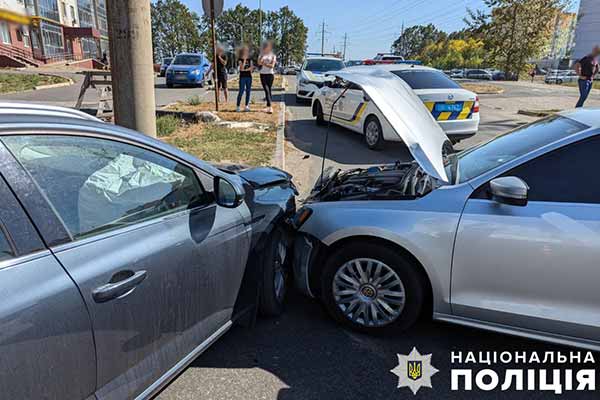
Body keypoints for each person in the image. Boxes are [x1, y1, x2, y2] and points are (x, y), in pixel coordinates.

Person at [258, 41, 276, 114]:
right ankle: (269, 106)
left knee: (269, 90)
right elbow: (259, 63)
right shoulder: (261, 55)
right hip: (262, 74)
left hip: (270, 74)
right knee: (266, 89)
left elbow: (272, 66)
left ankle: (269, 106)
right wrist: (264, 61)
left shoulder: (273, 55)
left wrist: (264, 63)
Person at [236, 45, 253, 112]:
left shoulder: (250, 59)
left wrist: (246, 69)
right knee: (241, 91)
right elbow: (241, 68)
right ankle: (238, 106)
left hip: (249, 77)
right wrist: (244, 60)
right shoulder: (240, 59)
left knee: (248, 92)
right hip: (242, 77)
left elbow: (251, 68)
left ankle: (246, 106)